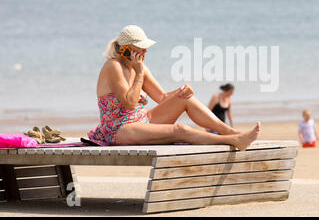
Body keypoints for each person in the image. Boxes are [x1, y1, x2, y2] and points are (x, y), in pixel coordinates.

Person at [88, 25, 260, 151]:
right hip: (118, 129)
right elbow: (130, 104)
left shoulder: (139, 66)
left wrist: (182, 91)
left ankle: (230, 131)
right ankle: (234, 140)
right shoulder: (113, 66)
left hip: (141, 121)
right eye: (141, 47)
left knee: (185, 99)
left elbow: (162, 97)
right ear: (126, 48)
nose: (145, 50)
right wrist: (139, 74)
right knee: (181, 129)